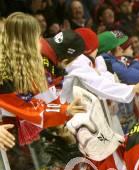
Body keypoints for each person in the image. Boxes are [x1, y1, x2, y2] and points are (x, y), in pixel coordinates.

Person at [0, 13, 85, 145]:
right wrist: (65, 110)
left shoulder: (15, 67)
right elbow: (30, 109)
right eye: (37, 36)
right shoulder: (6, 75)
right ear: (24, 42)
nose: (41, 41)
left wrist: (64, 110)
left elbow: (32, 106)